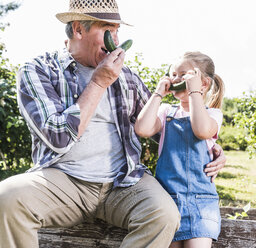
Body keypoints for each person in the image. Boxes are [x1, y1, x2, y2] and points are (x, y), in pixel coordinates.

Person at [0, 1, 226, 248]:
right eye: (109, 30)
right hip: (63, 181)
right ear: (78, 29)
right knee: (7, 198)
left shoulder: (127, 76)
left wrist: (208, 144)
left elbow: (158, 127)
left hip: (123, 181)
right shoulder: (39, 70)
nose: (116, 40)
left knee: (163, 215)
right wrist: (98, 83)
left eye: (118, 31)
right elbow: (58, 137)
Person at [135, 51, 225, 248]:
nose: (176, 79)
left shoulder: (213, 114)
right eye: (173, 74)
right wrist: (158, 93)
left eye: (183, 75)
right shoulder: (166, 111)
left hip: (201, 202)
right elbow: (142, 129)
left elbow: (201, 130)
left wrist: (194, 92)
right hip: (168, 200)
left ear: (204, 83)